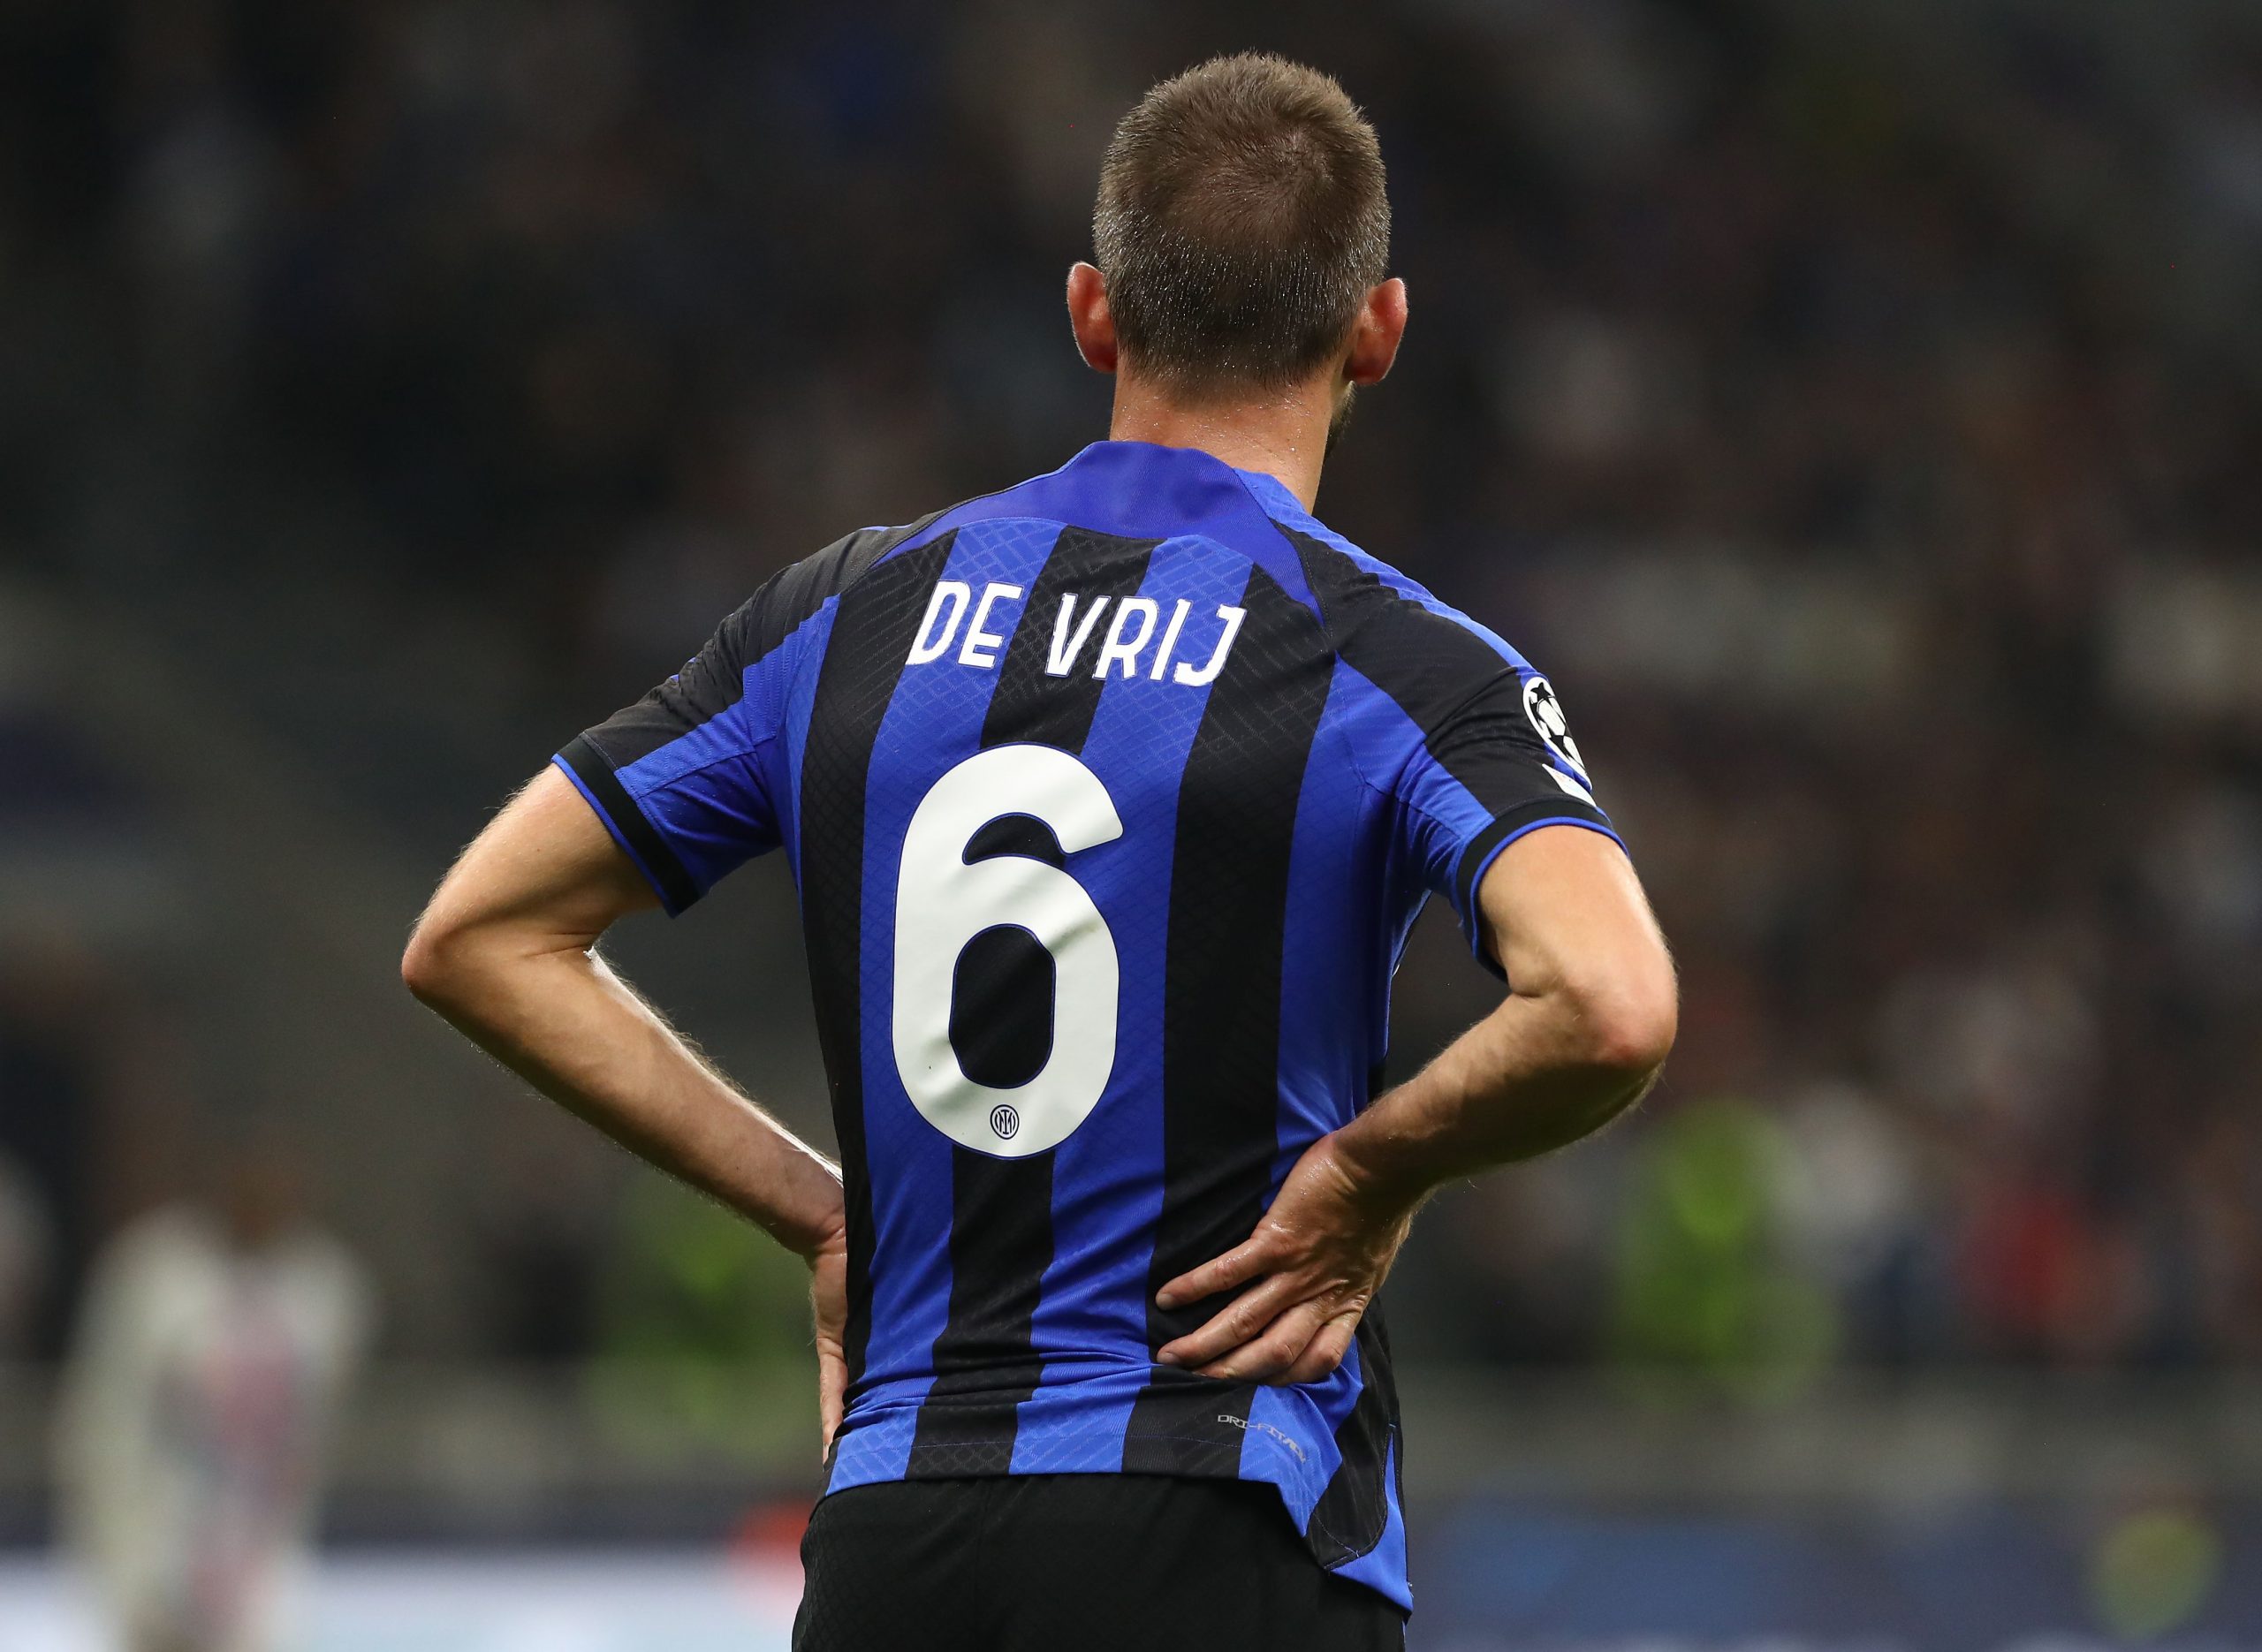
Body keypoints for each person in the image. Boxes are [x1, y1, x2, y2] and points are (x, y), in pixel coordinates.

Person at [404, 52, 1675, 1650]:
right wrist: (1367, 1175)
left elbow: (477, 935)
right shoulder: (1393, 661)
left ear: (1092, 315)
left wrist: (821, 1216)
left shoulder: (844, 612)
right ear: (1379, 330)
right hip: (1219, 1506)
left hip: (897, 1537)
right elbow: (1609, 1003)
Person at [54, 1133, 371, 1652]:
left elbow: (314, 1435)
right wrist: (119, 1564)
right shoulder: (154, 1270)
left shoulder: (325, 1285)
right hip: (157, 1537)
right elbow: (104, 1423)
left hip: (261, 1552)